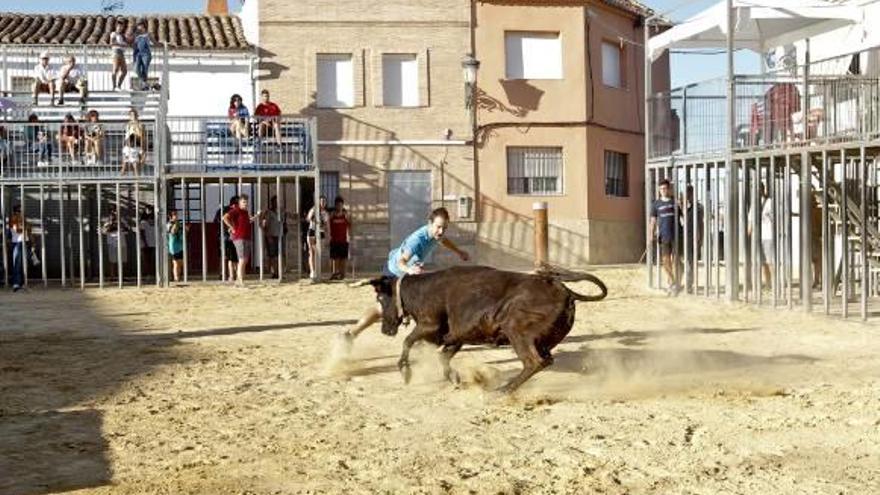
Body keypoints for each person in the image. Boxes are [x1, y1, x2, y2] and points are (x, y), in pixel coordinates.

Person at [342, 207, 469, 342]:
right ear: (430, 223)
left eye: (444, 228)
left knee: (423, 304)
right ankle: (351, 334)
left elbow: (443, 240)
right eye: (438, 227)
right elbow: (401, 262)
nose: (441, 231)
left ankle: (423, 338)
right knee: (382, 309)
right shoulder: (417, 240)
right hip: (393, 272)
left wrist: (458, 251)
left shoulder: (436, 234)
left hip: (408, 275)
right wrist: (410, 270)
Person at [649, 179, 680, 295]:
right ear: (659, 190)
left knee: (675, 260)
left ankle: (672, 283)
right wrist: (651, 234)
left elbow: (682, 217)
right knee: (665, 261)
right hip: (663, 235)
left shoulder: (674, 202)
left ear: (669, 189)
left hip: (676, 235)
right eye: (661, 189)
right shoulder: (656, 204)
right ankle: (672, 282)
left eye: (665, 188)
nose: (663, 191)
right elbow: (652, 221)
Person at [223, 194, 258, 287]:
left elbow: (248, 221)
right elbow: (225, 218)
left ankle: (239, 280)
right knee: (242, 259)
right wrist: (232, 228)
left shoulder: (245, 212)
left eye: (246, 202)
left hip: (247, 237)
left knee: (245, 260)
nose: (246, 204)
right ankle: (240, 280)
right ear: (239, 203)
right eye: (244, 202)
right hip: (239, 237)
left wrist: (256, 217)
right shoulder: (236, 210)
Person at [748, 183, 774, 290]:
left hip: (768, 235)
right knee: (763, 262)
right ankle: (768, 284)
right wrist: (748, 236)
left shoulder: (770, 202)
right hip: (758, 237)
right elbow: (751, 222)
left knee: (770, 261)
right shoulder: (754, 205)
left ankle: (775, 284)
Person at [679, 185, 704, 293]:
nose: (688, 195)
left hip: (692, 237)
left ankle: (688, 285)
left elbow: (700, 223)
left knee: (690, 262)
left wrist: (700, 237)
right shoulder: (681, 207)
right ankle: (678, 282)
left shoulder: (698, 207)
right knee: (679, 260)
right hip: (681, 237)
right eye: (687, 193)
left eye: (690, 193)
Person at [214, 195, 239, 282]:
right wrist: (231, 227)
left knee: (225, 256)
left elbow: (216, 222)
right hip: (227, 235)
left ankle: (223, 274)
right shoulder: (231, 211)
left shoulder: (221, 210)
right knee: (232, 257)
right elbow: (220, 220)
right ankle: (231, 275)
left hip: (223, 235)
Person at [259, 195, 284, 278]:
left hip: (279, 235)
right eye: (275, 201)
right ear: (272, 203)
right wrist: (268, 235)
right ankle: (274, 272)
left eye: (278, 201)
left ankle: (278, 272)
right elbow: (264, 225)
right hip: (271, 236)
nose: (277, 203)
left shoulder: (281, 211)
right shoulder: (268, 212)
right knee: (272, 256)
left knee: (279, 255)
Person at [305, 195, 329, 281]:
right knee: (311, 251)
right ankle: (312, 271)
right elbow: (308, 218)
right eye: (321, 201)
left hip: (321, 232)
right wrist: (313, 218)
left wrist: (328, 235)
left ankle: (318, 271)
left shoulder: (325, 213)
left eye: (324, 201)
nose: (322, 203)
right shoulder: (314, 209)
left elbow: (326, 225)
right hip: (312, 230)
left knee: (318, 252)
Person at [102, 206, 128, 280]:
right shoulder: (108, 221)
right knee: (112, 260)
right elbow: (104, 231)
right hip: (112, 243)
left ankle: (122, 276)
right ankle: (112, 276)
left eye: (116, 211)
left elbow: (127, 229)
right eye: (113, 211)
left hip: (122, 242)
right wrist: (111, 224)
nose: (115, 212)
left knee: (122, 260)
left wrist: (119, 223)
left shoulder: (122, 220)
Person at [328, 196, 351, 280]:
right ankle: (335, 273)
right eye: (337, 205)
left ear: (342, 205)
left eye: (340, 205)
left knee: (343, 258)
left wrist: (350, 236)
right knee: (335, 258)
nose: (339, 206)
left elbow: (350, 225)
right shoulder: (332, 215)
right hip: (334, 239)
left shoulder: (346, 215)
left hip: (344, 239)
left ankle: (343, 274)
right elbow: (327, 225)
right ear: (335, 205)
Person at [8, 205, 30, 292]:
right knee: (17, 263)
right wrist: (24, 226)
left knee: (22, 263)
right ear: (17, 211)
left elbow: (28, 230)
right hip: (17, 243)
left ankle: (21, 282)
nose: (21, 213)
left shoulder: (22, 219)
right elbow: (18, 230)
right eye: (20, 211)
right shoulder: (13, 219)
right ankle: (16, 283)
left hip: (24, 242)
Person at [123, 108, 146, 174]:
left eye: (134, 115)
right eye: (131, 115)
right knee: (125, 165)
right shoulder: (128, 125)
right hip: (129, 145)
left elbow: (141, 134)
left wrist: (136, 125)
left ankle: (137, 182)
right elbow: (127, 136)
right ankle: (121, 180)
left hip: (137, 144)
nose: (133, 117)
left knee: (136, 164)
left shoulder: (140, 124)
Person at [166, 209, 186, 283]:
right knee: (176, 262)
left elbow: (182, 232)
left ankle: (178, 277)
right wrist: (176, 224)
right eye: (174, 214)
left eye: (176, 214)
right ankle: (176, 278)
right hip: (173, 246)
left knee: (180, 262)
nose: (176, 216)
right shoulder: (169, 224)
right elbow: (173, 232)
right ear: (170, 216)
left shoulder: (179, 224)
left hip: (180, 244)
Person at [132, 21, 152, 90]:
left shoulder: (147, 34)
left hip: (145, 54)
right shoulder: (136, 35)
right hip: (137, 54)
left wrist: (162, 44)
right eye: (138, 26)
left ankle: (144, 85)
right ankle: (144, 83)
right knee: (136, 69)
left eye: (141, 26)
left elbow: (154, 42)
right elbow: (134, 45)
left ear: (144, 27)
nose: (139, 27)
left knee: (144, 70)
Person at [109, 22, 129, 90]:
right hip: (116, 52)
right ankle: (114, 86)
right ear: (116, 27)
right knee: (116, 69)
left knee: (124, 71)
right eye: (119, 26)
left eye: (121, 27)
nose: (120, 28)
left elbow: (126, 43)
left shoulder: (122, 35)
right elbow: (111, 43)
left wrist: (124, 44)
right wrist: (121, 44)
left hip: (122, 53)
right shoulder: (113, 34)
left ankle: (118, 85)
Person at [139, 206, 156, 277]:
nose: (150, 212)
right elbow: (142, 233)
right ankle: (147, 274)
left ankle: (153, 273)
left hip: (153, 242)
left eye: (151, 210)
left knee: (152, 259)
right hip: (145, 243)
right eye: (148, 210)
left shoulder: (154, 221)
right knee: (146, 259)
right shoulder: (143, 222)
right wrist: (145, 242)